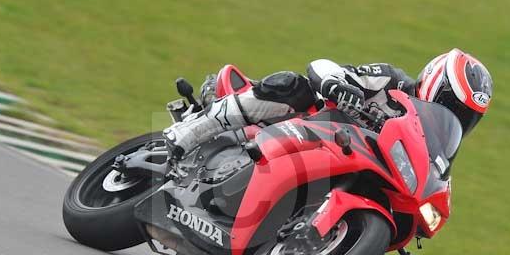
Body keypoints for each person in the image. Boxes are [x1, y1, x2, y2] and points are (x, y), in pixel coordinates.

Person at [163, 48, 493, 159]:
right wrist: (338, 85)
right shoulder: (391, 81)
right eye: (453, 104)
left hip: (335, 161)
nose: (455, 116)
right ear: (437, 82)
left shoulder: (429, 146)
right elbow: (324, 67)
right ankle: (192, 130)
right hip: (305, 125)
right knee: (295, 86)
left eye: (466, 116)